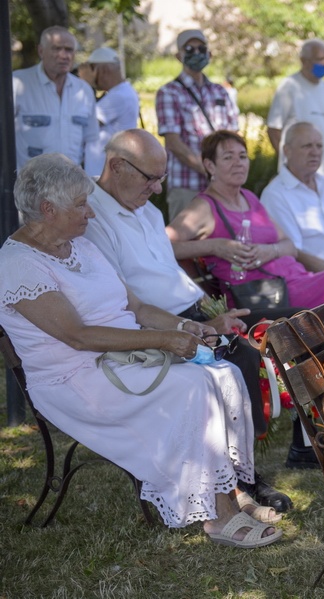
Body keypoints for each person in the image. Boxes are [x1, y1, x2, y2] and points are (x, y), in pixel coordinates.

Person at [0, 153, 282, 547]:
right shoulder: (18, 263)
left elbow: (136, 308)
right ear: (48, 209)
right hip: (77, 378)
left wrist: (190, 327)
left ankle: (228, 490)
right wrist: (163, 340)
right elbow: (77, 336)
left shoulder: (77, 245)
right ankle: (219, 516)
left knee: (223, 372)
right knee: (192, 386)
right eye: (82, 205)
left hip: (121, 360)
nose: (91, 214)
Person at [82, 129, 298, 512]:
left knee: (245, 352)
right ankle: (235, 482)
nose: (158, 189)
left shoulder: (146, 210)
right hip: (153, 324)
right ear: (116, 167)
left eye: (161, 178)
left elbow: (172, 275)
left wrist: (216, 312)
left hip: (191, 313)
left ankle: (242, 474)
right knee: (235, 360)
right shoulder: (93, 219)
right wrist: (187, 326)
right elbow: (122, 301)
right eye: (151, 178)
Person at [166, 130, 324, 310]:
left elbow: (289, 246)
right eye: (228, 158)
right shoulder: (204, 207)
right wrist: (216, 246)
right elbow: (161, 244)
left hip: (298, 282)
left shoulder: (249, 198)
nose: (238, 163)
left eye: (243, 156)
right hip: (268, 298)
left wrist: (271, 250)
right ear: (210, 166)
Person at [155, 29, 239, 220]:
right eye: (189, 49)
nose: (196, 53)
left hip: (222, 185)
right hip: (187, 187)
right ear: (179, 56)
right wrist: (211, 171)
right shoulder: (169, 93)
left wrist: (226, 172)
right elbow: (174, 144)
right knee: (187, 246)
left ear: (209, 54)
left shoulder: (220, 92)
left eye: (201, 48)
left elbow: (233, 137)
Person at [260, 122, 324, 267]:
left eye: (319, 146)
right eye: (307, 146)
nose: (315, 152)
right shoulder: (276, 195)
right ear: (287, 151)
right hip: (323, 278)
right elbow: (294, 252)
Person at [12, 26, 98, 170]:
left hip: (72, 185)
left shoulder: (84, 90)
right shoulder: (17, 83)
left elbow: (92, 141)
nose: (64, 56)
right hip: (30, 186)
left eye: (69, 50)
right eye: (57, 49)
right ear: (41, 51)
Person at [267, 39, 324, 180]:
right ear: (304, 61)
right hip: (299, 174)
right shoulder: (289, 87)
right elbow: (274, 129)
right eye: (319, 59)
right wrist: (290, 164)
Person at [79, 47, 140, 177]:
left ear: (104, 70)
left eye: (91, 69)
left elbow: (84, 123)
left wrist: (84, 84)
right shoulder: (122, 91)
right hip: (105, 172)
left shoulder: (119, 96)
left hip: (102, 175)